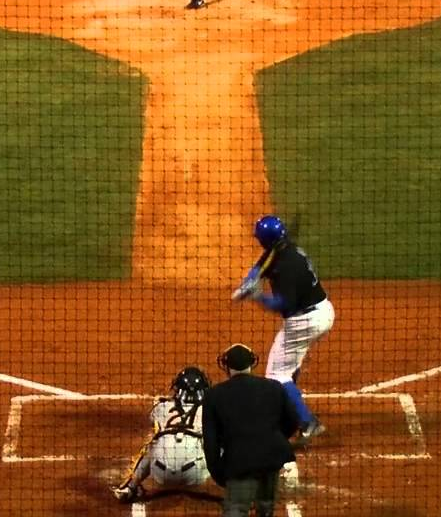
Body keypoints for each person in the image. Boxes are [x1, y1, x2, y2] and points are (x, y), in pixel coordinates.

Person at [231, 215, 335, 443]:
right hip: (320, 312)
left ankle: (308, 423)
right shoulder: (282, 250)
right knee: (287, 366)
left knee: (277, 374)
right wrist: (249, 281)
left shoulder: (288, 266)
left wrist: (257, 296)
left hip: (305, 320)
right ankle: (288, 406)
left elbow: (283, 305)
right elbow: (261, 265)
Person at [202, 343, 300, 517]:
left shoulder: (213, 395)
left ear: (226, 366)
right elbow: (293, 420)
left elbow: (211, 442)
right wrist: (273, 438)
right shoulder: (274, 387)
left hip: (239, 462)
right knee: (266, 508)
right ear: (251, 363)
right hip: (271, 458)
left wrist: (217, 471)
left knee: (237, 508)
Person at [113, 366, 212, 503]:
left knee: (152, 445)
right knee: (218, 443)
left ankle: (130, 488)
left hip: (160, 473)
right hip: (194, 474)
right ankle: (236, 491)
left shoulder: (161, 407)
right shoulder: (210, 411)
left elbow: (153, 416)